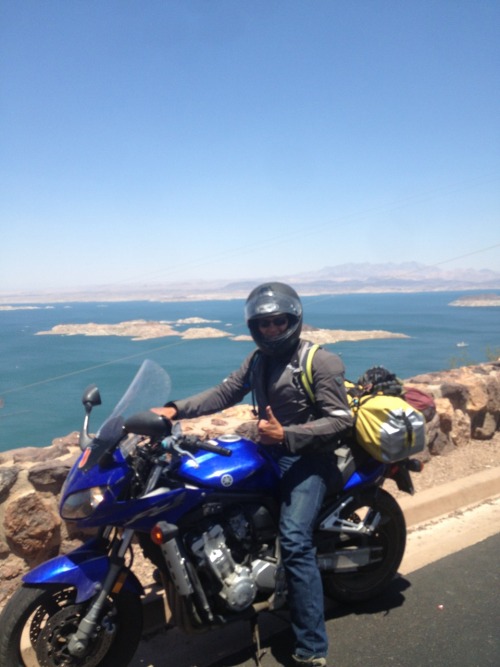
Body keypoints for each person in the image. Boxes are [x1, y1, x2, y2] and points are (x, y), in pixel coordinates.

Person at [153, 282, 353, 667]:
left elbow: (343, 422)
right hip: (268, 452)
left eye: (278, 322)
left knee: (295, 540)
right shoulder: (258, 360)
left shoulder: (320, 362)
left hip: (311, 459)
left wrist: (289, 435)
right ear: (254, 327)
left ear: (293, 320)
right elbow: (224, 393)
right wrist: (174, 409)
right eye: (264, 324)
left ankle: (312, 647)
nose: (272, 329)